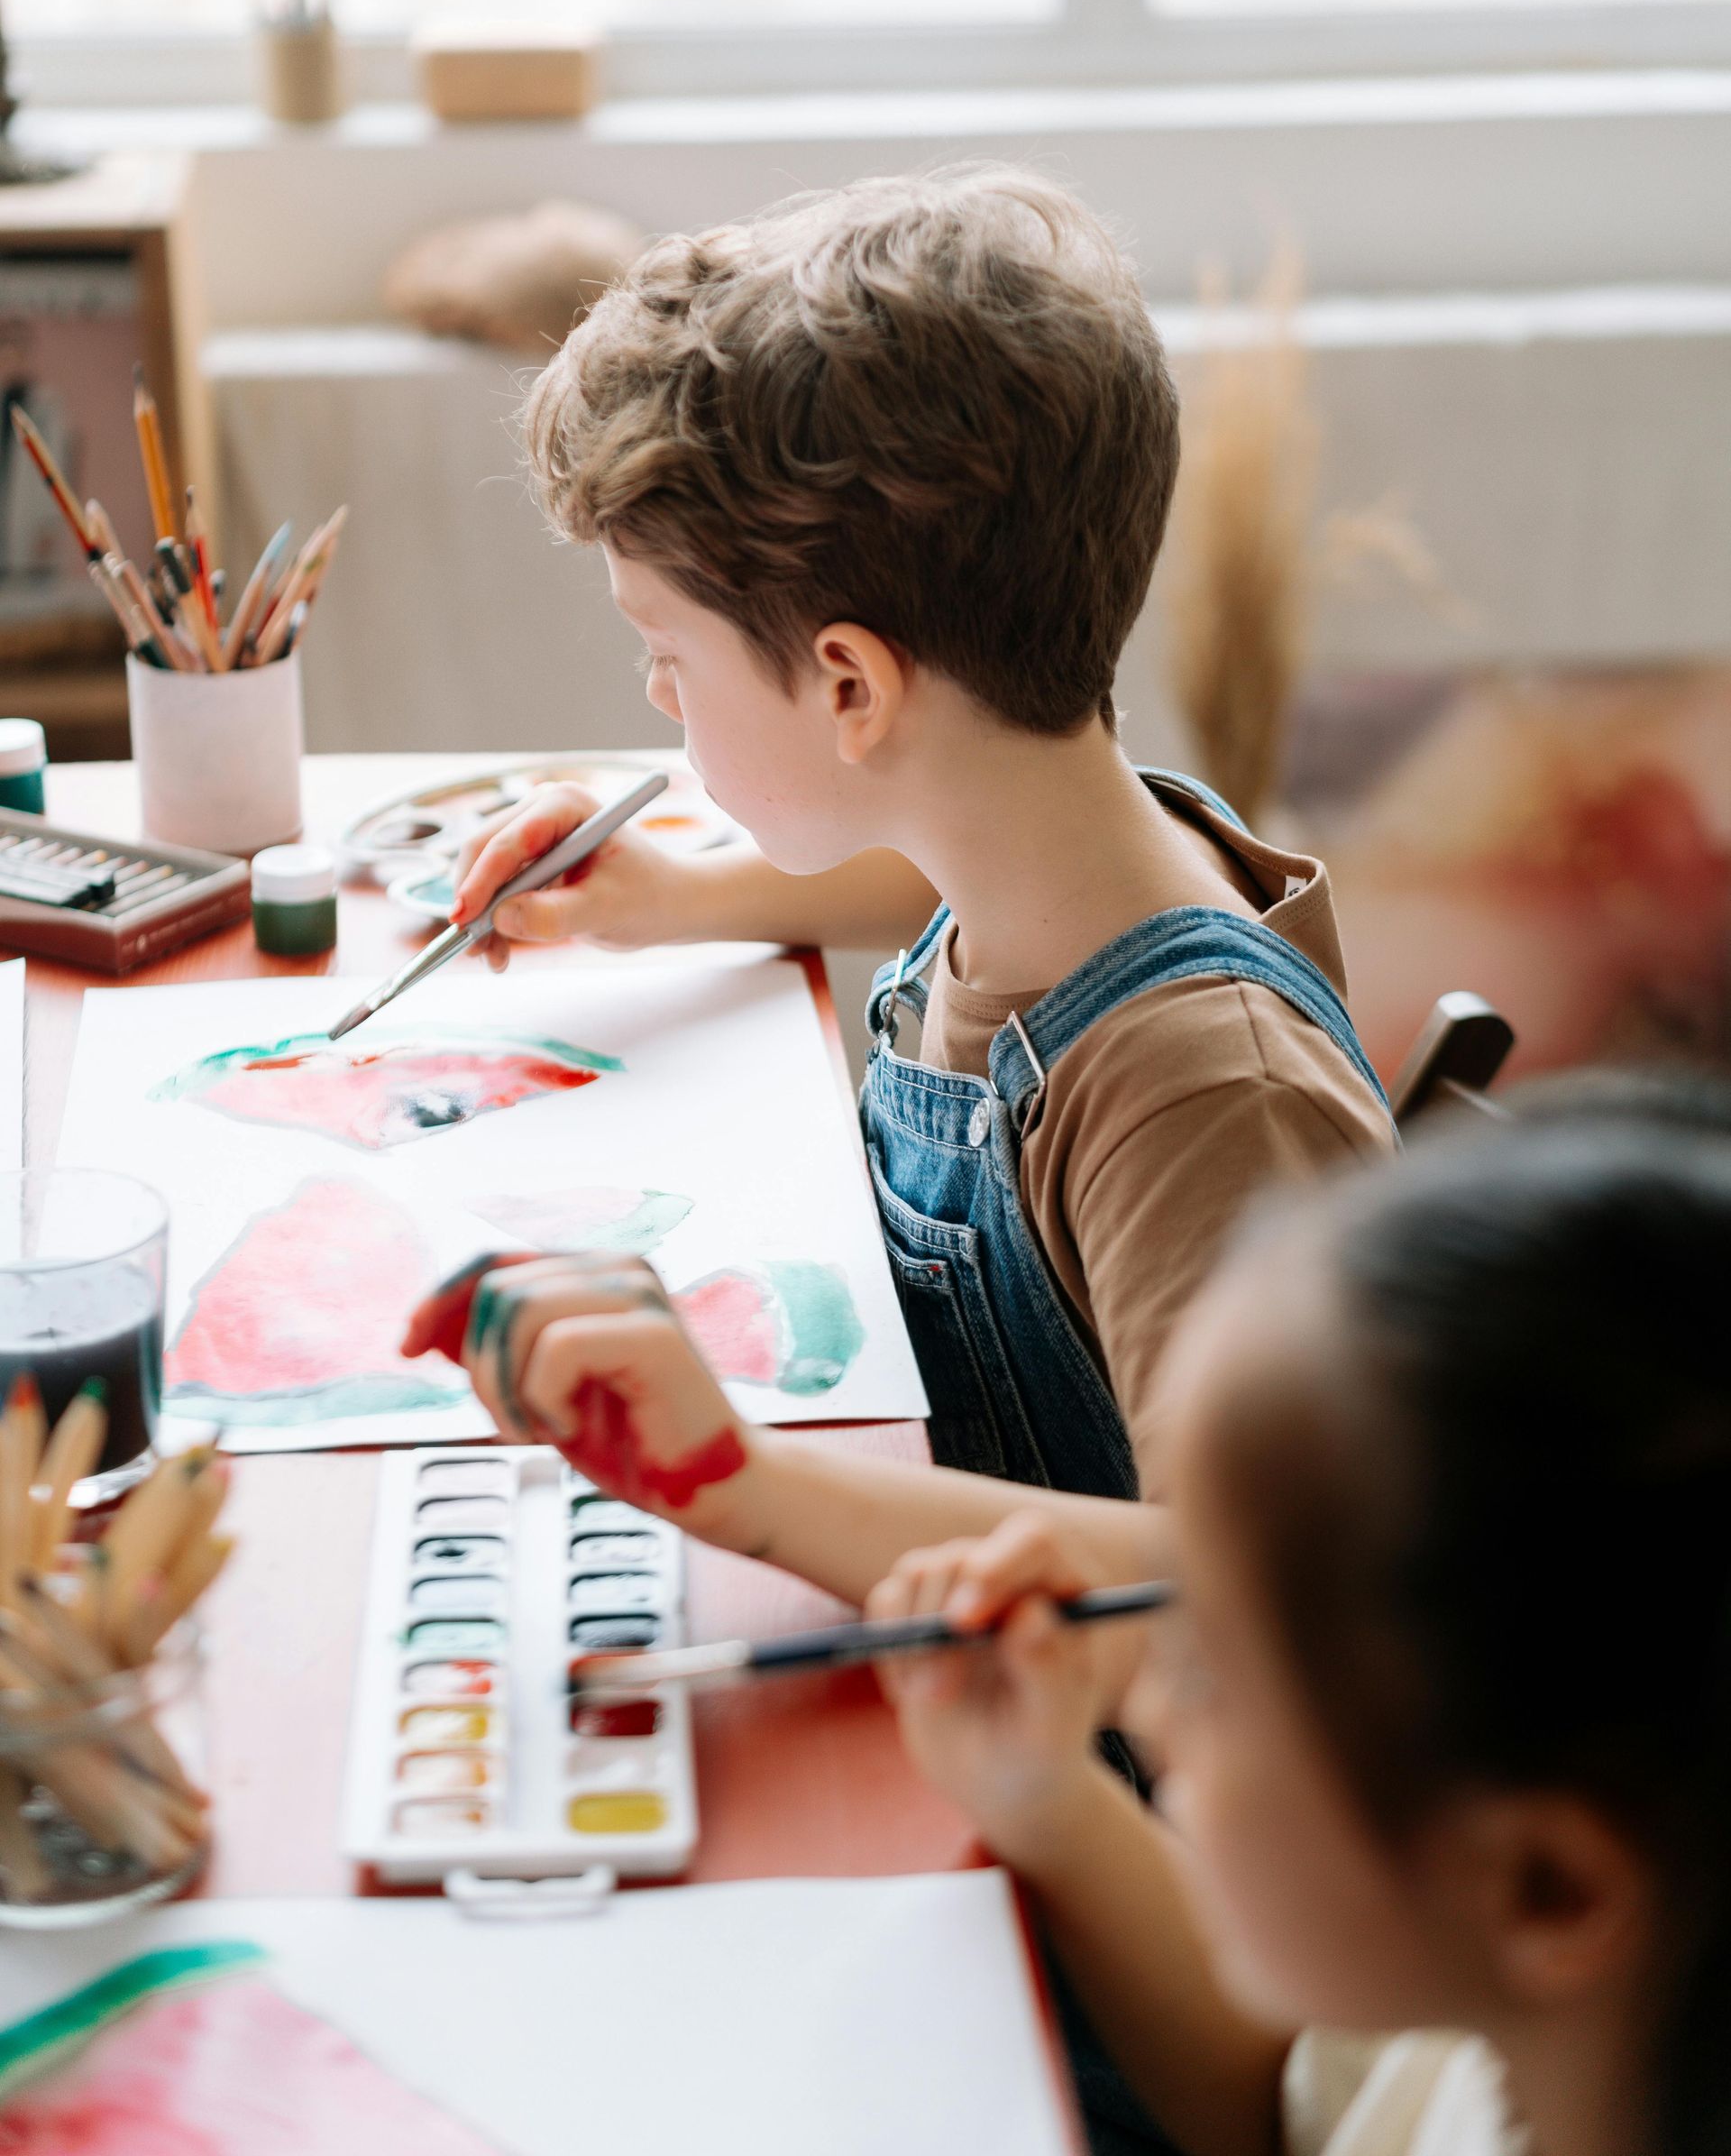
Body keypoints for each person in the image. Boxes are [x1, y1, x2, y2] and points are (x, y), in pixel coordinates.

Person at [405, 163, 1390, 1604]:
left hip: (1096, 1779)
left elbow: (1267, 1613)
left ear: (852, 684)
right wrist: (667, 900)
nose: (656, 698)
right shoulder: (1044, 842)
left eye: (669, 659)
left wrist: (740, 1482)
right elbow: (899, 883)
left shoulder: (1204, 1100)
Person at [866, 1111, 1731, 2156]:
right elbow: (1306, 2112)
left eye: (1210, 1674)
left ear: (1545, 1888)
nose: (1142, 1706)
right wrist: (1049, 1800)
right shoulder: (1533, 2026)